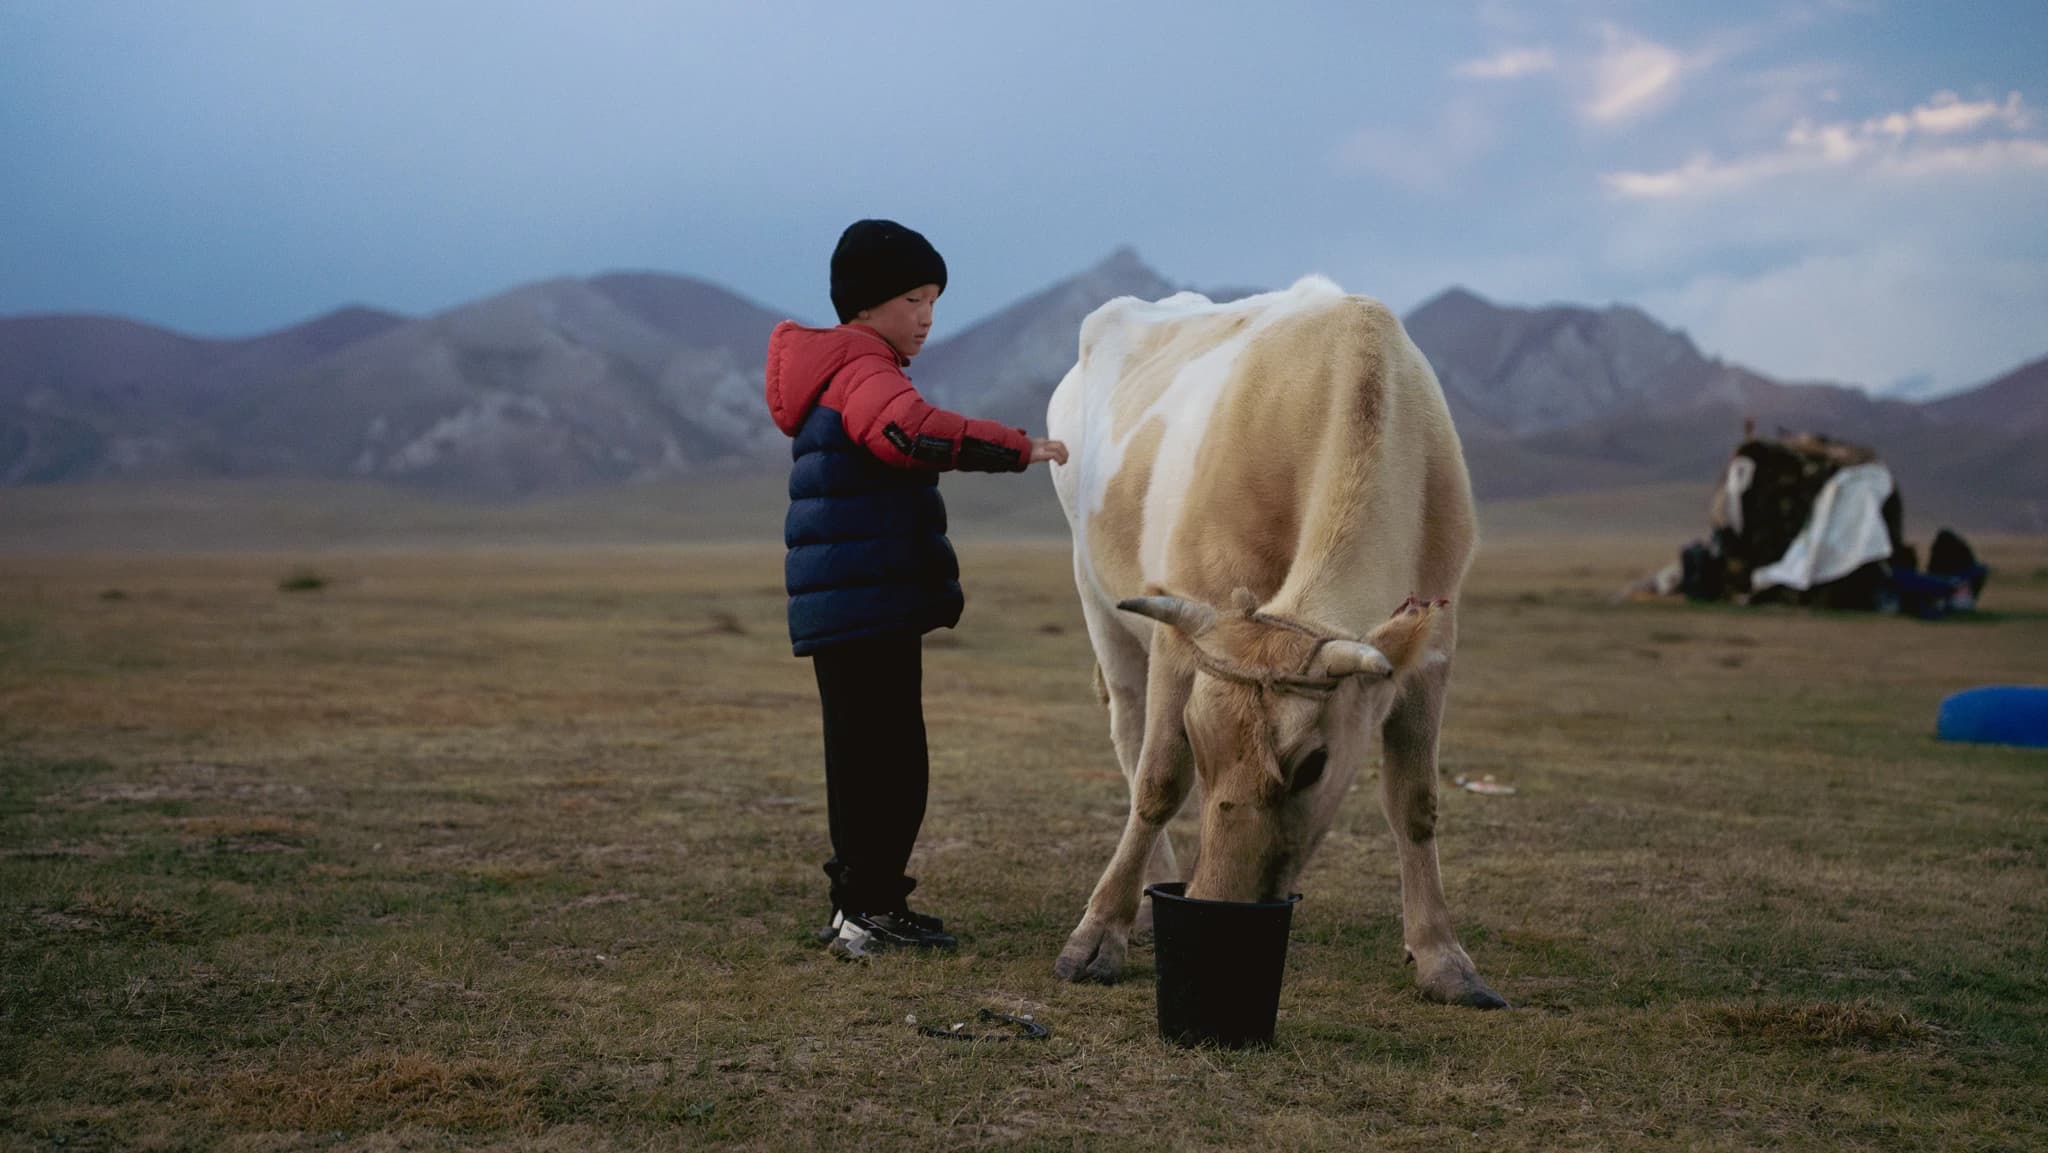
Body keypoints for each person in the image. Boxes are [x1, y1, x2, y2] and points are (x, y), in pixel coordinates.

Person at [763, 219, 1067, 959]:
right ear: (867, 305)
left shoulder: (842, 367)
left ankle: (860, 909)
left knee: (863, 759)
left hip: (849, 600)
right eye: (913, 298)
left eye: (933, 299)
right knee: (891, 764)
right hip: (865, 605)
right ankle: (869, 912)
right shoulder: (868, 369)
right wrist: (1016, 447)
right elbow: (905, 432)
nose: (927, 316)